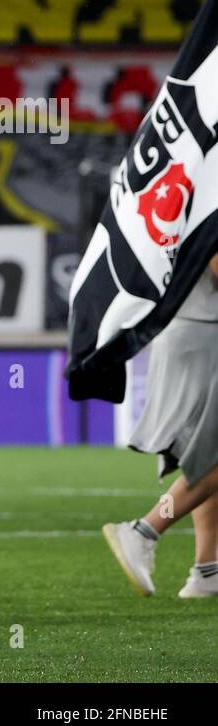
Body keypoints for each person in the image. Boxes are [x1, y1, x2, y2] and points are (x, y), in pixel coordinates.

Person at [104, 255, 218, 598]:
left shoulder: (187, 203)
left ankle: (207, 570)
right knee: (212, 457)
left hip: (188, 328)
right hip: (204, 333)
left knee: (205, 452)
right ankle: (143, 531)